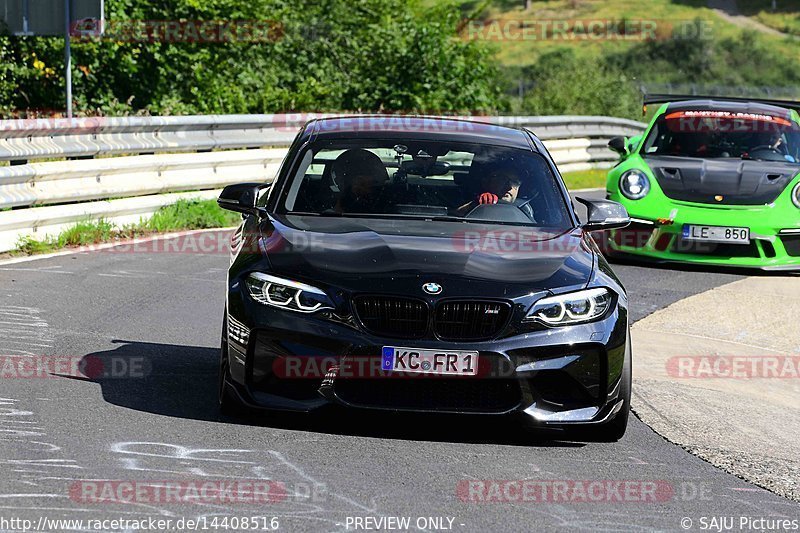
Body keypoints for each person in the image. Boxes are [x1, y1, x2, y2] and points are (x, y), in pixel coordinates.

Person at [455, 165, 534, 220]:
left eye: (515, 182)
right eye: (502, 179)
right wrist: (475, 205)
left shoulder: (525, 210)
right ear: (486, 182)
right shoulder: (468, 201)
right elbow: (452, 219)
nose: (509, 187)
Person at [331, 149, 390, 213]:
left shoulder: (384, 199)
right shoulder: (345, 198)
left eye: (372, 184)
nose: (363, 189)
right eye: (361, 184)